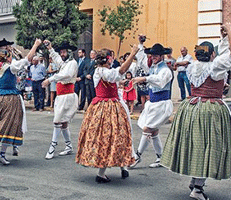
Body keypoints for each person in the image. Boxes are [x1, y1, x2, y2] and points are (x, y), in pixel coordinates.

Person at [161, 22, 231, 200]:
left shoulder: (191, 66)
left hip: (191, 107)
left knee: (196, 145)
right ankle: (197, 188)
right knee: (208, 147)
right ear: (212, 54)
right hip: (209, 109)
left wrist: (224, 38)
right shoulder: (214, 67)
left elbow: (221, 55)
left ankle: (195, 181)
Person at [75, 46, 138, 183]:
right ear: (107, 60)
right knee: (108, 137)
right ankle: (102, 173)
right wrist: (132, 54)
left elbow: (113, 79)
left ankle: (123, 167)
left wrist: (120, 83)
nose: (112, 60)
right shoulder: (102, 71)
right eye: (110, 58)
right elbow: (120, 71)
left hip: (108, 105)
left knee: (118, 136)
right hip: (107, 106)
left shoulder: (103, 71)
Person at [0, 39, 41, 165]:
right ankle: (2, 153)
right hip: (11, 98)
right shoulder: (11, 67)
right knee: (10, 124)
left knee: (0, 122)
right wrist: (35, 45)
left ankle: (7, 146)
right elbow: (27, 59)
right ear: (8, 58)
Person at [130, 42, 173, 168]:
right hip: (153, 103)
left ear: (162, 56)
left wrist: (144, 79)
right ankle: (160, 157)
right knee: (153, 131)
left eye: (156, 55)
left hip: (162, 104)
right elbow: (142, 60)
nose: (153, 57)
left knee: (147, 129)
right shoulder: (153, 67)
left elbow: (160, 81)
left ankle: (137, 155)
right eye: (152, 55)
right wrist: (140, 45)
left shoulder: (165, 70)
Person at [41, 40, 79, 160]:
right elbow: (57, 59)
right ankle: (68, 146)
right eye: (61, 52)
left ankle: (52, 147)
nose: (62, 54)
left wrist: (50, 79)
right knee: (63, 123)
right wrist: (50, 48)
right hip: (62, 96)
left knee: (57, 121)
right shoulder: (65, 63)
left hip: (67, 96)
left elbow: (65, 75)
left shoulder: (72, 63)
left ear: (69, 52)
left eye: (64, 52)